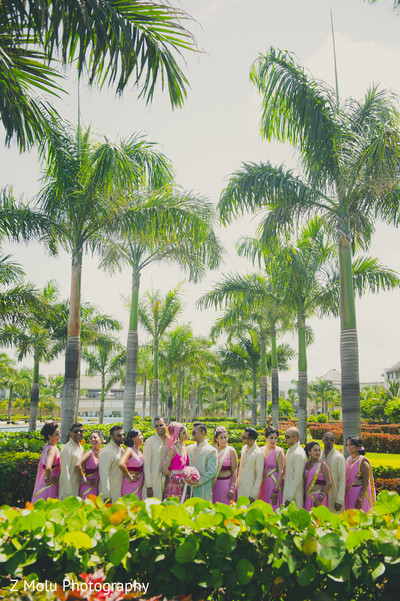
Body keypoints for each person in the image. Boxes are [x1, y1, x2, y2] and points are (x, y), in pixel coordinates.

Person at [143, 416, 172, 499]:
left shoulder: (171, 440)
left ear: (166, 425)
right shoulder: (150, 442)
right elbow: (147, 464)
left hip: (167, 481)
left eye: (161, 425)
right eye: (156, 426)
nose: (158, 428)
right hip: (153, 482)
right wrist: (149, 486)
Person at [187, 422, 217, 501]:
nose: (192, 435)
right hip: (189, 490)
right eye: (192, 432)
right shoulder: (189, 448)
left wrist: (198, 482)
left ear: (203, 433)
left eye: (194, 433)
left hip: (203, 489)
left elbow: (212, 472)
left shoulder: (211, 450)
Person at [31, 421, 61, 503]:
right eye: (57, 434)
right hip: (49, 485)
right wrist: (48, 480)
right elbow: (48, 467)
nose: (59, 436)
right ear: (49, 436)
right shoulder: (52, 449)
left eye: (59, 433)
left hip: (44, 483)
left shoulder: (47, 446)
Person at [345, 436, 376, 511]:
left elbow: (366, 482)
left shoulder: (362, 461)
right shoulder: (348, 460)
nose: (348, 447)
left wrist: (360, 499)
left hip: (358, 494)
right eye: (347, 445)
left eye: (351, 445)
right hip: (348, 494)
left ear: (358, 446)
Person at [259, 426, 284, 510]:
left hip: (274, 484)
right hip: (263, 484)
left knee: (273, 507)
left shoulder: (279, 451)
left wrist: (276, 490)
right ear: (266, 438)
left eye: (276, 438)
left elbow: (281, 471)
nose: (274, 441)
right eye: (271, 438)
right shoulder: (261, 450)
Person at [236, 427, 264, 503]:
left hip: (250, 491)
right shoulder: (243, 448)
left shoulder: (258, 453)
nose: (242, 438)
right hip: (240, 488)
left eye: (244, 437)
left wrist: (253, 495)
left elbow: (259, 476)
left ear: (251, 440)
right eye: (242, 436)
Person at [162, 422, 189, 501]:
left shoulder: (185, 448)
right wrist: (175, 478)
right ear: (178, 435)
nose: (187, 434)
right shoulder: (173, 449)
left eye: (186, 432)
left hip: (184, 484)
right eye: (184, 433)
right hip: (174, 485)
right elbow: (164, 469)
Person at [98, 425, 125, 503]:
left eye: (123, 434)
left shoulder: (121, 448)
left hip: (120, 491)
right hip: (110, 494)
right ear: (112, 437)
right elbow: (104, 475)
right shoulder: (106, 451)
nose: (122, 437)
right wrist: (106, 495)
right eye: (119, 435)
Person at [320, 431, 346, 513]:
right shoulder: (319, 455)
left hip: (334, 495)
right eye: (327, 439)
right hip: (321, 494)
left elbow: (342, 479)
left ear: (334, 441)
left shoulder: (339, 457)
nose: (329, 441)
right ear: (322, 440)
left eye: (331, 439)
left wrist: (339, 500)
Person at [212, 426, 238, 504]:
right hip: (215, 485)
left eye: (225, 437)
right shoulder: (213, 451)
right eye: (221, 438)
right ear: (217, 439)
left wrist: (232, 488)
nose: (224, 440)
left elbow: (234, 471)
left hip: (226, 485)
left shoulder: (231, 451)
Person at [75, 430, 104, 499]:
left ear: (101, 440)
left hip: (97, 487)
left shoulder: (103, 453)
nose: (92, 440)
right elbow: (77, 465)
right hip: (88, 487)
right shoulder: (90, 452)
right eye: (91, 438)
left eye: (95, 437)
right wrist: (84, 480)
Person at [282, 427, 307, 508]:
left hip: (295, 493)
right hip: (288, 488)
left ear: (295, 438)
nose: (285, 439)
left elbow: (298, 477)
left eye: (287, 437)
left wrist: (290, 497)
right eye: (285, 436)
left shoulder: (298, 453)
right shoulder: (291, 450)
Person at [303, 441, 332, 510]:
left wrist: (320, 498)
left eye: (319, 450)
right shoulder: (306, 464)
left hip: (318, 497)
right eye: (315, 450)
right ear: (309, 452)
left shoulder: (322, 464)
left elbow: (329, 483)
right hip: (308, 497)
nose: (318, 452)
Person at [59, 423, 84, 500]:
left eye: (81, 431)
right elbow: (64, 472)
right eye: (76, 431)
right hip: (67, 490)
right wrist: (68, 492)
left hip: (77, 487)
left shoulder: (81, 448)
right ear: (71, 433)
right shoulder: (67, 449)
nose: (78, 433)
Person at [119, 429, 145, 499]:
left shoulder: (140, 452)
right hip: (129, 485)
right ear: (133, 439)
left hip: (139, 484)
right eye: (139, 435)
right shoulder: (129, 450)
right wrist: (129, 477)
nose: (142, 437)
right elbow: (121, 464)